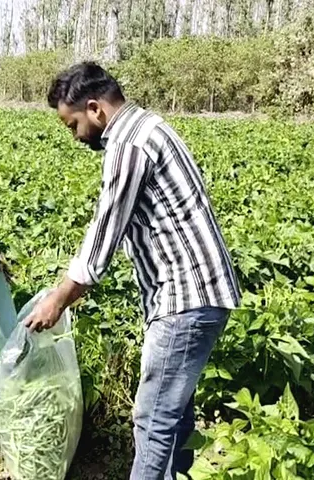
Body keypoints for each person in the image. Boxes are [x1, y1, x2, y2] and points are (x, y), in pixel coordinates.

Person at [23, 63, 241, 479]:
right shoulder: (149, 126)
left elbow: (107, 227)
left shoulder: (129, 145)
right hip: (197, 293)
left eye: (73, 125)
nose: (74, 136)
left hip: (184, 297)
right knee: (174, 414)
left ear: (95, 109)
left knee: (153, 418)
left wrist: (60, 296)